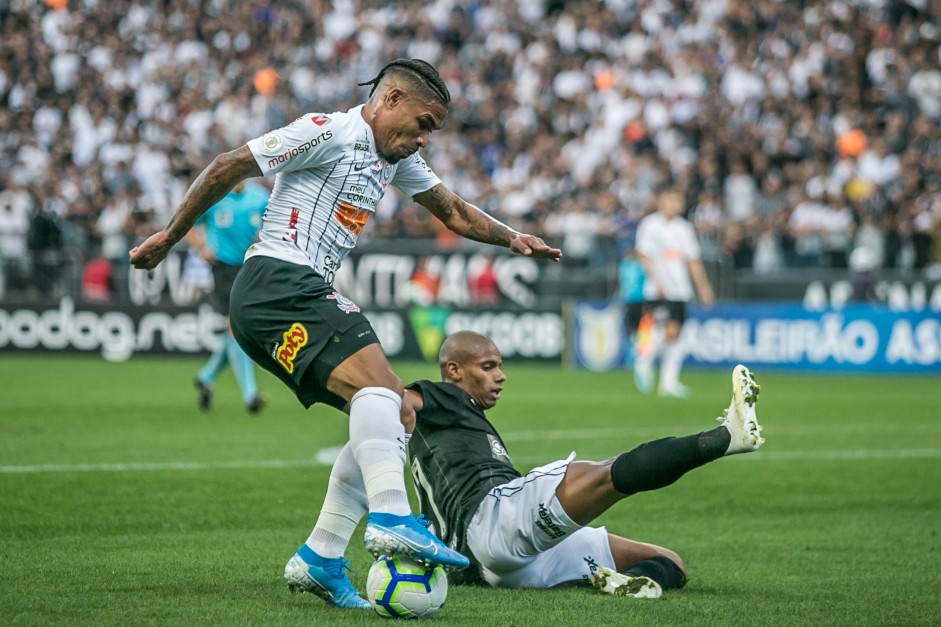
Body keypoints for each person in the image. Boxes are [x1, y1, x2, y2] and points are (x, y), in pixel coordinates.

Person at [128, 58, 562, 608]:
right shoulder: (327, 132)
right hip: (277, 282)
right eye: (424, 124)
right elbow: (228, 165)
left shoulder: (394, 159)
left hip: (281, 299)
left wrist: (513, 237)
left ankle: (321, 556)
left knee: (396, 410)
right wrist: (170, 237)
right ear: (391, 101)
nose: (425, 139)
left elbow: (453, 211)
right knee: (384, 393)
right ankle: (392, 516)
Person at [304, 331, 764, 604]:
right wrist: (358, 391)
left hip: (497, 565)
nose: (500, 375)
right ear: (454, 371)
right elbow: (390, 400)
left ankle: (633, 584)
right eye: (487, 366)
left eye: (500, 366)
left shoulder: (456, 422)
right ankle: (726, 437)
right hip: (493, 520)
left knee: (670, 563)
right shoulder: (441, 396)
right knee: (601, 473)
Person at [186, 180, 268, 414]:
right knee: (235, 327)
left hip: (248, 268)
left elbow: (274, 224)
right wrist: (201, 248)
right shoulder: (215, 197)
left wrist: (263, 239)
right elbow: (188, 224)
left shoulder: (259, 197)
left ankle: (206, 376)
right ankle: (250, 394)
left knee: (239, 330)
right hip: (222, 269)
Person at [632, 186, 714, 397]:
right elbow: (643, 255)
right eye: (670, 201)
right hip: (657, 289)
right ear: (660, 201)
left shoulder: (684, 228)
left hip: (680, 289)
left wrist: (703, 287)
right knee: (662, 330)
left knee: (677, 337)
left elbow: (692, 260)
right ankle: (643, 364)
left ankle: (668, 382)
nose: (674, 205)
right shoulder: (650, 225)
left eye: (677, 201)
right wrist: (656, 280)